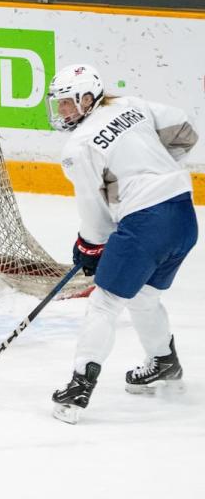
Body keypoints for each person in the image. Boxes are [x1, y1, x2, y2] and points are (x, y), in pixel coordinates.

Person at [46, 63, 198, 424]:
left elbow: (92, 206)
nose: (63, 111)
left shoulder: (79, 146)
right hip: (183, 215)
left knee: (104, 303)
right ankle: (163, 362)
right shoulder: (129, 105)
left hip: (146, 224)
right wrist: (149, 167)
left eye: (68, 103)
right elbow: (185, 131)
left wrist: (89, 245)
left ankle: (79, 387)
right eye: (60, 104)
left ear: (87, 98)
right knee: (144, 296)